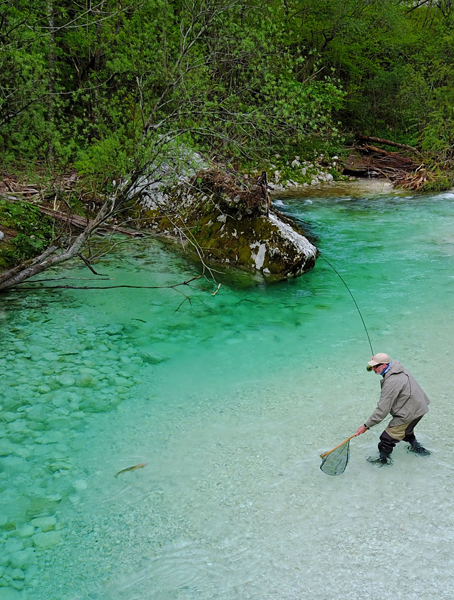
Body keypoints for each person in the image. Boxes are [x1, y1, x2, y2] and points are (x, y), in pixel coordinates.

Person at [355, 353, 430, 465]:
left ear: (384, 365)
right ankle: (417, 447)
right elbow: (385, 362)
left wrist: (366, 426)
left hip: (410, 412)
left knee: (386, 439)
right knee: (406, 429)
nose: (373, 369)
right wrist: (376, 361)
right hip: (421, 406)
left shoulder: (391, 382)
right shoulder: (396, 366)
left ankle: (384, 462)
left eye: (375, 366)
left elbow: (382, 410)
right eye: (372, 366)